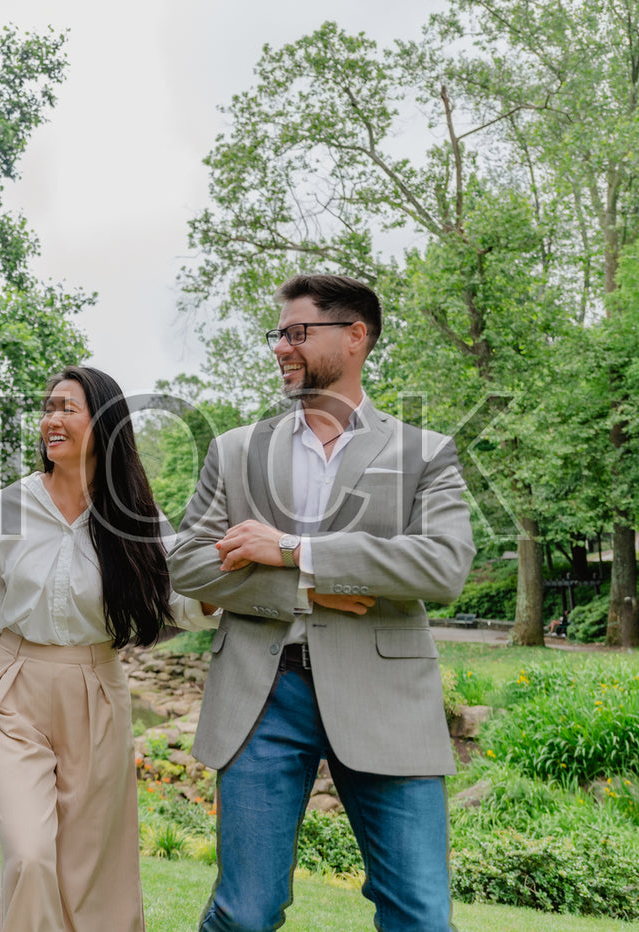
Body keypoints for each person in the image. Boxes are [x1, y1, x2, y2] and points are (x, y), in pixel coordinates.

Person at [167, 274, 475, 932]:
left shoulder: (425, 453)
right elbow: (189, 563)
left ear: (356, 336)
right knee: (245, 914)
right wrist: (308, 585)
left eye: (297, 333)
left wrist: (294, 549)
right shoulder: (233, 450)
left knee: (419, 915)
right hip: (261, 692)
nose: (281, 346)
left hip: (386, 695)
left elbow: (444, 566)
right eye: (278, 334)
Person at [0, 365, 217, 932]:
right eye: (47, 408)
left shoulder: (137, 516)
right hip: (13, 691)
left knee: (91, 868)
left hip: (97, 689)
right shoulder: (11, 506)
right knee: (29, 854)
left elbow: (176, 599)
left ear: (105, 424)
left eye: (66, 408)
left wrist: (220, 594)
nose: (50, 419)